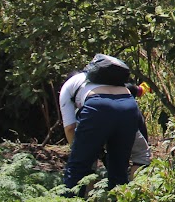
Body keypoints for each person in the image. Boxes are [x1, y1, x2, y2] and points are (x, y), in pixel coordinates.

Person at [59, 58, 146, 191]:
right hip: (128, 105)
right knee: (119, 168)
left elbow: (70, 128)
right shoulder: (108, 78)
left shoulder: (68, 86)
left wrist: (78, 151)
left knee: (77, 167)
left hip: (98, 105)